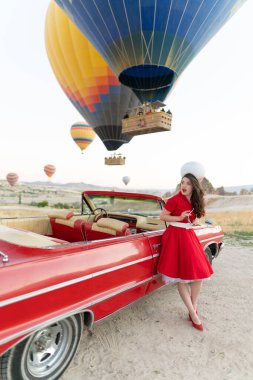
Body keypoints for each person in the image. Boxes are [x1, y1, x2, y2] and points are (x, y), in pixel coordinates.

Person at [157, 162, 213, 331]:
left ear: (194, 186)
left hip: (189, 236)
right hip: (175, 237)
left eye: (188, 183)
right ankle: (193, 313)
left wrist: (196, 222)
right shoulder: (175, 199)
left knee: (198, 276)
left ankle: (193, 305)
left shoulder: (196, 200)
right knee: (181, 278)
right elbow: (162, 216)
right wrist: (179, 217)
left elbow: (198, 218)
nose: (184, 186)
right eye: (182, 182)